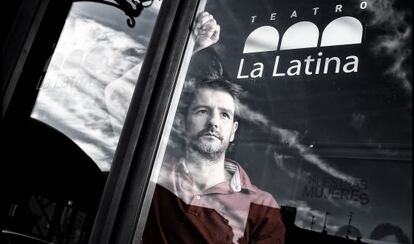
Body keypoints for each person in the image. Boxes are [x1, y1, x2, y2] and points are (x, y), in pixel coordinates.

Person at [142, 77, 285, 243]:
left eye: (224, 115)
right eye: (202, 111)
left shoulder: (262, 206)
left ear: (233, 131)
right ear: (182, 123)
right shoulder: (154, 175)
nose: (213, 122)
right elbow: (116, 92)